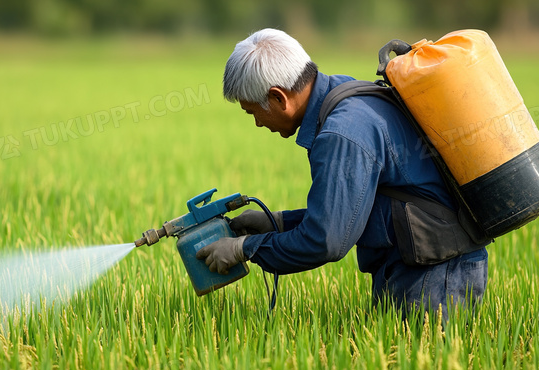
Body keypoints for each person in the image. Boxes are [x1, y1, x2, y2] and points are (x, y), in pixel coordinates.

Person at [196, 28, 488, 320]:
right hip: (429, 265)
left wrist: (245, 249)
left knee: (423, 363)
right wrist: (278, 223)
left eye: (252, 112)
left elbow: (325, 241)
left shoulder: (341, 132)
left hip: (436, 277)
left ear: (278, 97)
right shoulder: (346, 95)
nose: (258, 123)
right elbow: (351, 209)